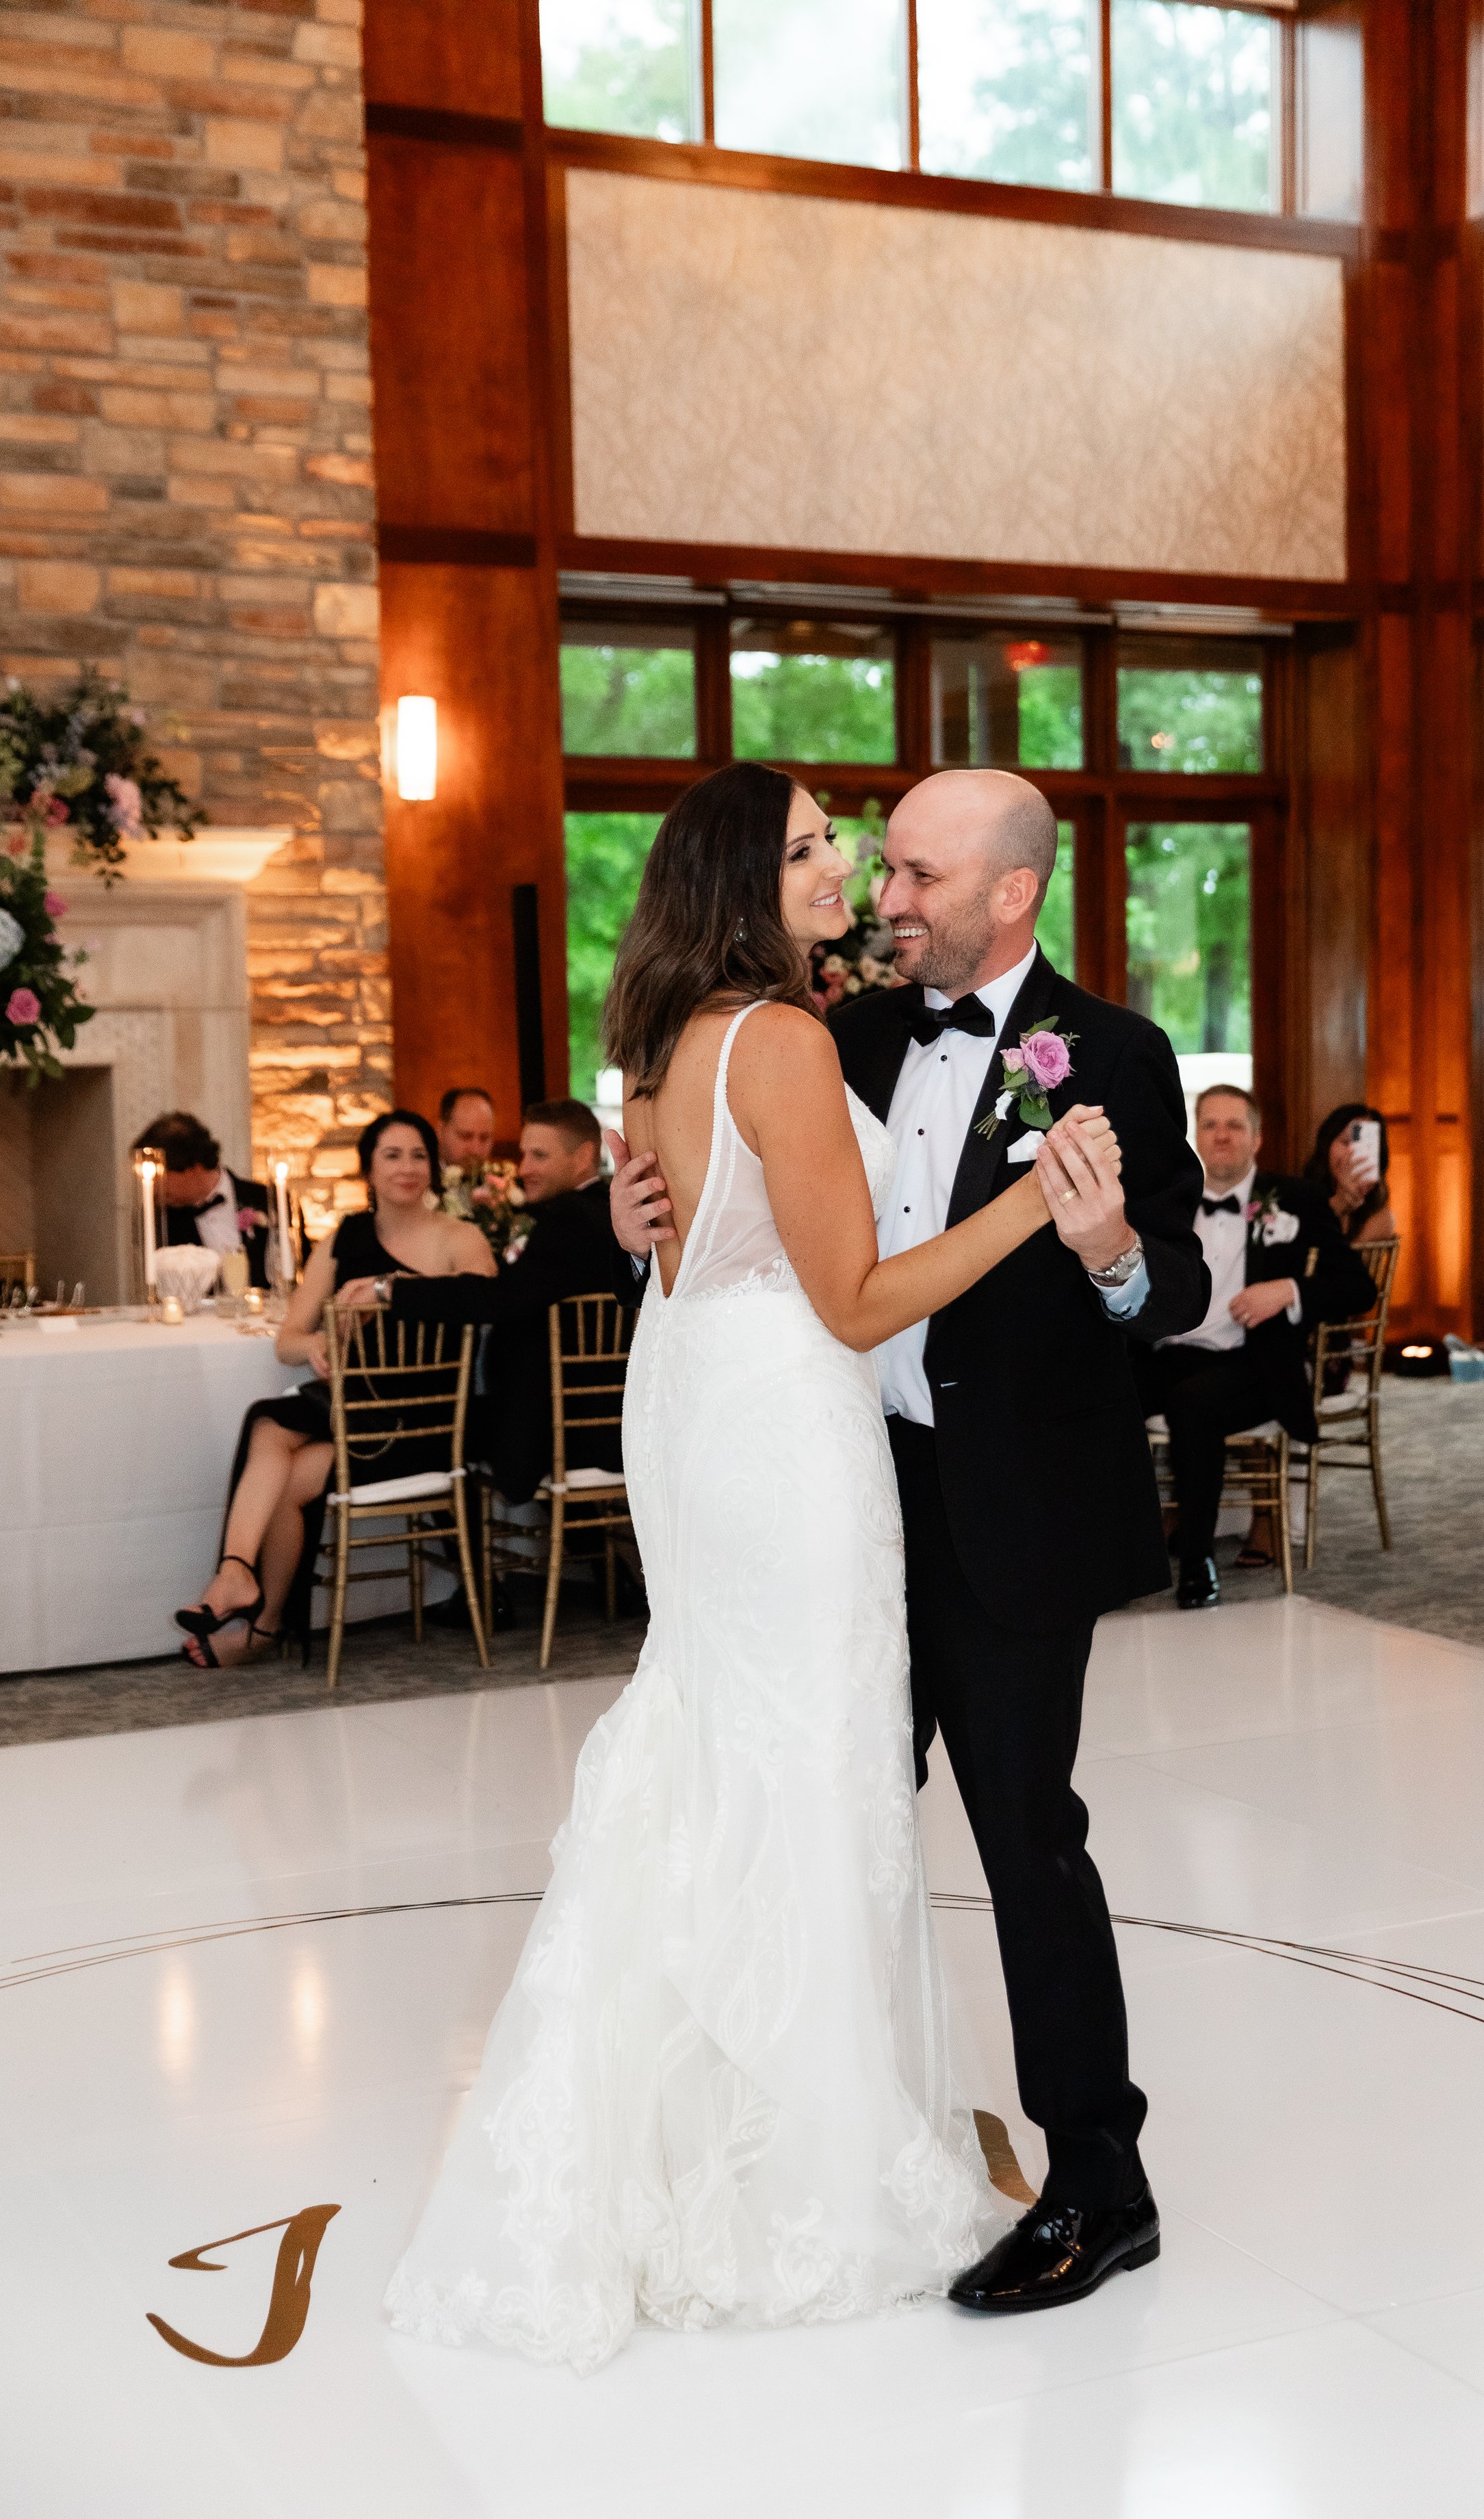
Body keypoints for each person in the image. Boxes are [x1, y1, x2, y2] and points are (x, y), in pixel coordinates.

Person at [384, 762, 1137, 2373]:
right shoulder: (810, 1033)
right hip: (791, 1438)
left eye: (892, 859)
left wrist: (1111, 1250)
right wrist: (1029, 1199)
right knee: (807, 1780)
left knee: (824, 1780)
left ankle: (1076, 2172)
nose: (863, 875)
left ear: (1012, 889)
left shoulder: (709, 1030)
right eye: (823, 849)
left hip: (816, 1437)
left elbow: (706, 1212)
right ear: (745, 880)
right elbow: (843, 1289)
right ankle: (791, 2167)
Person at [173, 1110, 494, 1668]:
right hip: (356, 1417)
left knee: (270, 1421)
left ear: (433, 1167)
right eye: (392, 1156)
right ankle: (249, 1596)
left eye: (418, 1155)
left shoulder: (458, 1237)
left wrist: (391, 1288)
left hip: (426, 1425)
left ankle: (248, 1602)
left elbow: (485, 1300)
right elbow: (287, 1341)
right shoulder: (345, 1238)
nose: (407, 1167)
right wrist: (316, 1345)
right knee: (282, 1468)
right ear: (368, 1168)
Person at [1128, 1083, 1377, 1610]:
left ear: (1257, 1138)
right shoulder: (1167, 1199)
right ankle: (1115, 1558)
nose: (1221, 1136)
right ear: (1196, 1135)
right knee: (1102, 1391)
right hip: (1172, 1352)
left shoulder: (1296, 1199)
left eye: (1234, 1125)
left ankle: (1197, 1560)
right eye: (1210, 1125)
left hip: (1256, 1362)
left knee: (1193, 1404)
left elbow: (1358, 1288)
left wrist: (1288, 1290)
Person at [337, 1097, 625, 1512]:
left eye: (539, 1156)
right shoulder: (606, 1211)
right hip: (605, 1419)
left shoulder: (571, 1220)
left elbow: (497, 1299)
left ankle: (462, 1544)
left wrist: (391, 1289)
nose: (524, 1169)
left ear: (583, 1157)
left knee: (435, 1426)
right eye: (525, 1154)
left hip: (564, 1433)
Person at [131, 1109, 293, 1290]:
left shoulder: (268, 1199)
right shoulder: (156, 1219)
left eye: (157, 1176)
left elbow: (295, 1269)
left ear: (193, 1168)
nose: (151, 1188)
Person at [1306, 1100, 1396, 1244]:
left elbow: (1343, 1255)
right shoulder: (1301, 1198)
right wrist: (1338, 1205)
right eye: (1346, 1142)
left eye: (1364, 1147)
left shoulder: (1380, 1218)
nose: (1352, 1154)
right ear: (1327, 1145)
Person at [436, 1085, 496, 1172]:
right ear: (441, 1131)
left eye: (485, 1138)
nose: (476, 1150)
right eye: (465, 1137)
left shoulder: (498, 1178)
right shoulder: (421, 1177)